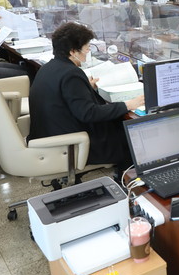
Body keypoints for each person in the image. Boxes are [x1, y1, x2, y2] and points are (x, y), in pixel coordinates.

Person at [28, 22, 144, 172]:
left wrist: (85, 88)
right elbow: (88, 113)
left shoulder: (49, 67)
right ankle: (126, 179)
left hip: (50, 133)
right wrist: (128, 105)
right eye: (86, 47)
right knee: (132, 136)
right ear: (73, 51)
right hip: (70, 142)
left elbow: (65, 97)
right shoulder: (71, 74)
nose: (88, 51)